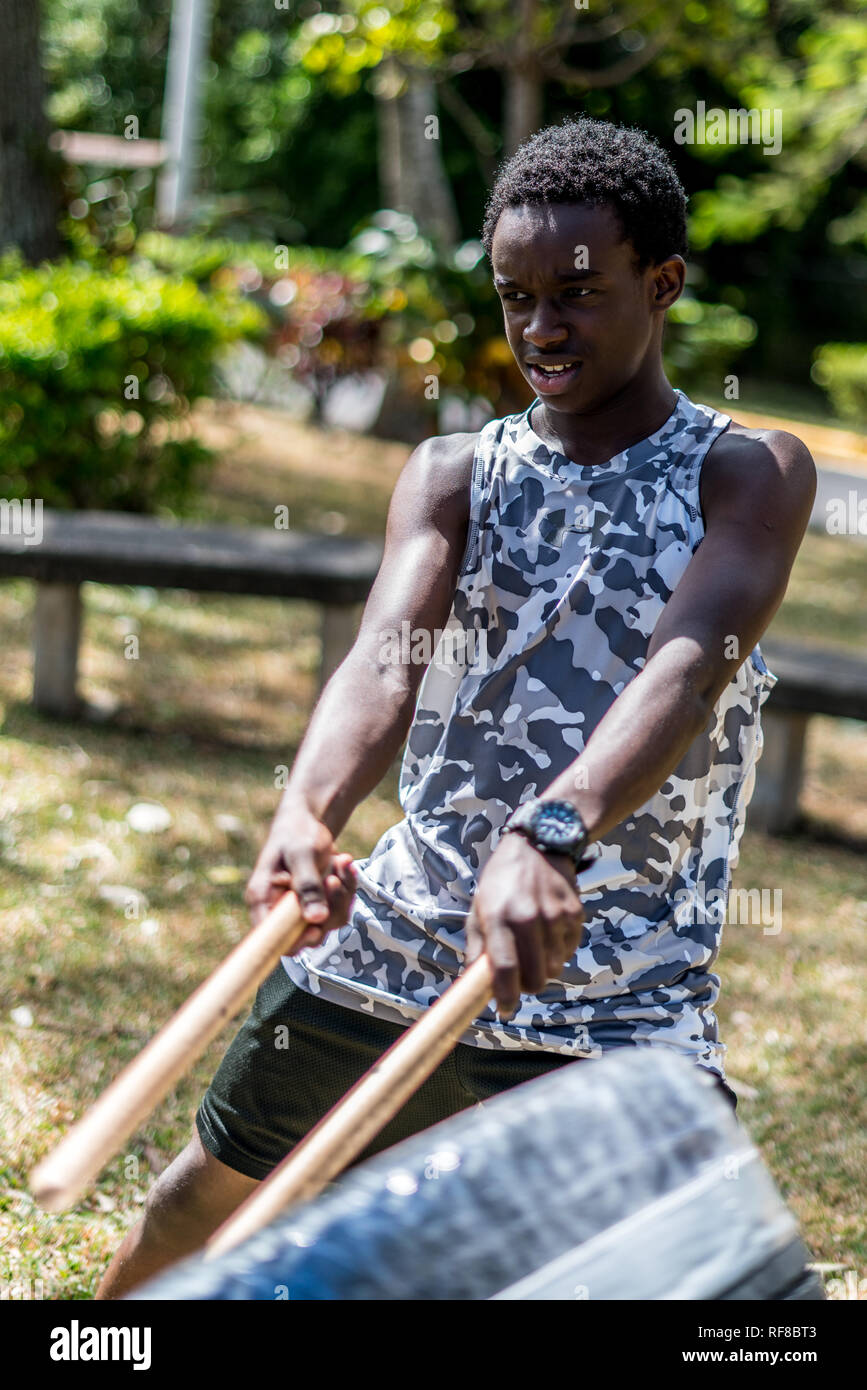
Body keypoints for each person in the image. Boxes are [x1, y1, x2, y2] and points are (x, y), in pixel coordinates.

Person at [97, 116, 815, 1298]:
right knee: (200, 1209)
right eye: (514, 296)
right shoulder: (453, 473)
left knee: (714, 1288)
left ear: (664, 282)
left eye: (576, 294)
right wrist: (309, 812)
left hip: (620, 989)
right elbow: (388, 655)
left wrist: (551, 831)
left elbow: (690, 665)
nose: (540, 327)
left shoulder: (746, 472)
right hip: (399, 937)